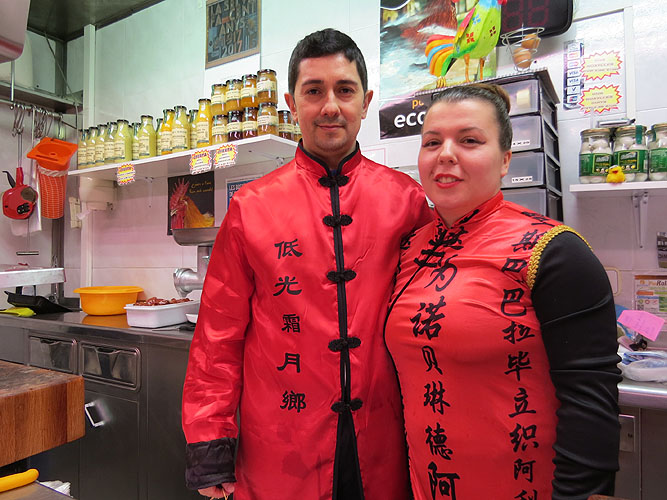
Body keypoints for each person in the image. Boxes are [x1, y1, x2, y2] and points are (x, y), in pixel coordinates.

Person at [181, 28, 433, 499]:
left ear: (366, 101)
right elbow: (217, 334)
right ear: (292, 105)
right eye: (314, 91)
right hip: (281, 442)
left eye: (345, 90)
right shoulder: (251, 207)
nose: (330, 106)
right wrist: (210, 443)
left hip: (385, 437)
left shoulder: (408, 201)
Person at [384, 83, 621, 500]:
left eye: (470, 141)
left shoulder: (555, 250)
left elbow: (590, 401)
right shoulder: (409, 248)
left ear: (506, 160)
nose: (445, 154)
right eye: (432, 142)